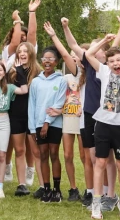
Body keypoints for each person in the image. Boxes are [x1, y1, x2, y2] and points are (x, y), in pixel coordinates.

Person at [82, 13, 120, 220]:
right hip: (102, 124)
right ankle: (96, 203)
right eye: (111, 61)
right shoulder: (102, 71)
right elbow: (89, 54)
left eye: (118, 60)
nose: (114, 63)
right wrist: (104, 40)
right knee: (100, 163)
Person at [62, 17, 115, 209]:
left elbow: (113, 48)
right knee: (93, 158)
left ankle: (111, 195)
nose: (94, 50)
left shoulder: (108, 68)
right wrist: (65, 27)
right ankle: (95, 193)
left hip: (107, 116)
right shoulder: (88, 69)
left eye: (99, 47)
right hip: (89, 116)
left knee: (107, 158)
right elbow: (73, 44)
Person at [44, 23, 84, 203]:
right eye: (74, 57)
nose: (74, 59)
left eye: (78, 57)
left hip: (83, 119)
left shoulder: (89, 74)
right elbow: (62, 98)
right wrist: (59, 110)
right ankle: (73, 188)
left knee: (84, 156)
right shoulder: (67, 78)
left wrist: (54, 36)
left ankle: (90, 190)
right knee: (67, 155)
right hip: (67, 119)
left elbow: (66, 53)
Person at [28, 45, 68, 203]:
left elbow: (59, 103)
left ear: (56, 62)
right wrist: (33, 127)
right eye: (45, 59)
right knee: (43, 155)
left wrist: (47, 123)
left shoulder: (61, 80)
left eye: (51, 59)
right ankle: (46, 189)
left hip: (54, 124)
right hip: (38, 124)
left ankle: (57, 190)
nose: (47, 62)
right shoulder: (36, 82)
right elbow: (32, 105)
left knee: (53, 154)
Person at [0, 60, 27, 198]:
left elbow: (24, 90)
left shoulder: (10, 87)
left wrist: (20, 70)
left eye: (0, 70)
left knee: (2, 156)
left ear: (4, 73)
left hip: (4, 122)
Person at [6, 40, 40, 197]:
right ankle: (21, 184)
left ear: (31, 53)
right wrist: (17, 70)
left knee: (36, 151)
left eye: (26, 51)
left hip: (33, 116)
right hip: (16, 115)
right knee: (19, 149)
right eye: (20, 51)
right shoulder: (12, 73)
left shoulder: (38, 73)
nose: (22, 53)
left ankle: (42, 184)